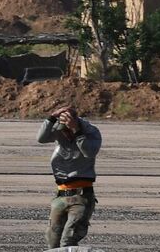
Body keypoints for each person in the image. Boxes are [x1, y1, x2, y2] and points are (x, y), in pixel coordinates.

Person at [38, 105, 102, 249]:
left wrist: (76, 131)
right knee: (52, 240)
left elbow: (89, 152)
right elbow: (41, 138)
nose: (64, 135)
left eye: (67, 130)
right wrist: (51, 117)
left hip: (81, 196)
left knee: (68, 240)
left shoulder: (91, 132)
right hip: (60, 196)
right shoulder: (59, 130)